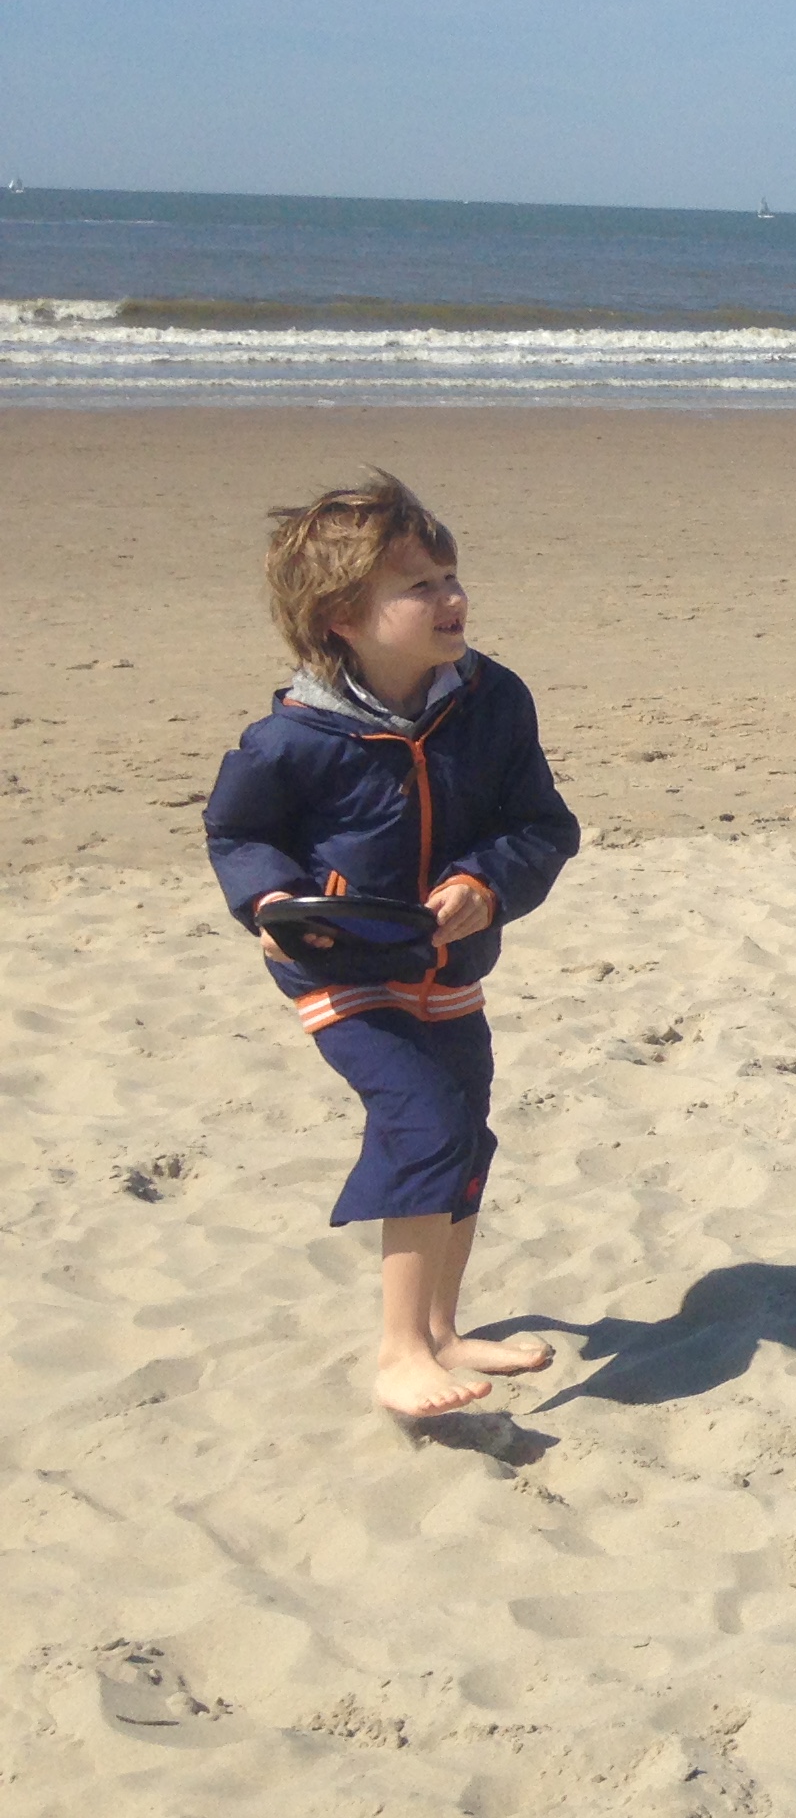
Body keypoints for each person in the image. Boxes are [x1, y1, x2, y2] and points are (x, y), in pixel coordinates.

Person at [205, 473, 581, 1419]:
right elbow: (239, 835)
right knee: (424, 1125)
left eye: (451, 577)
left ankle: (443, 1332)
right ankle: (399, 1353)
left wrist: (485, 885)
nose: (452, 598)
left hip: (447, 962)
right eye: (420, 586)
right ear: (343, 618)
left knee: (468, 1133)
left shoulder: (493, 701)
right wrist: (273, 904)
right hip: (337, 965)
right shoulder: (290, 738)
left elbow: (543, 825)